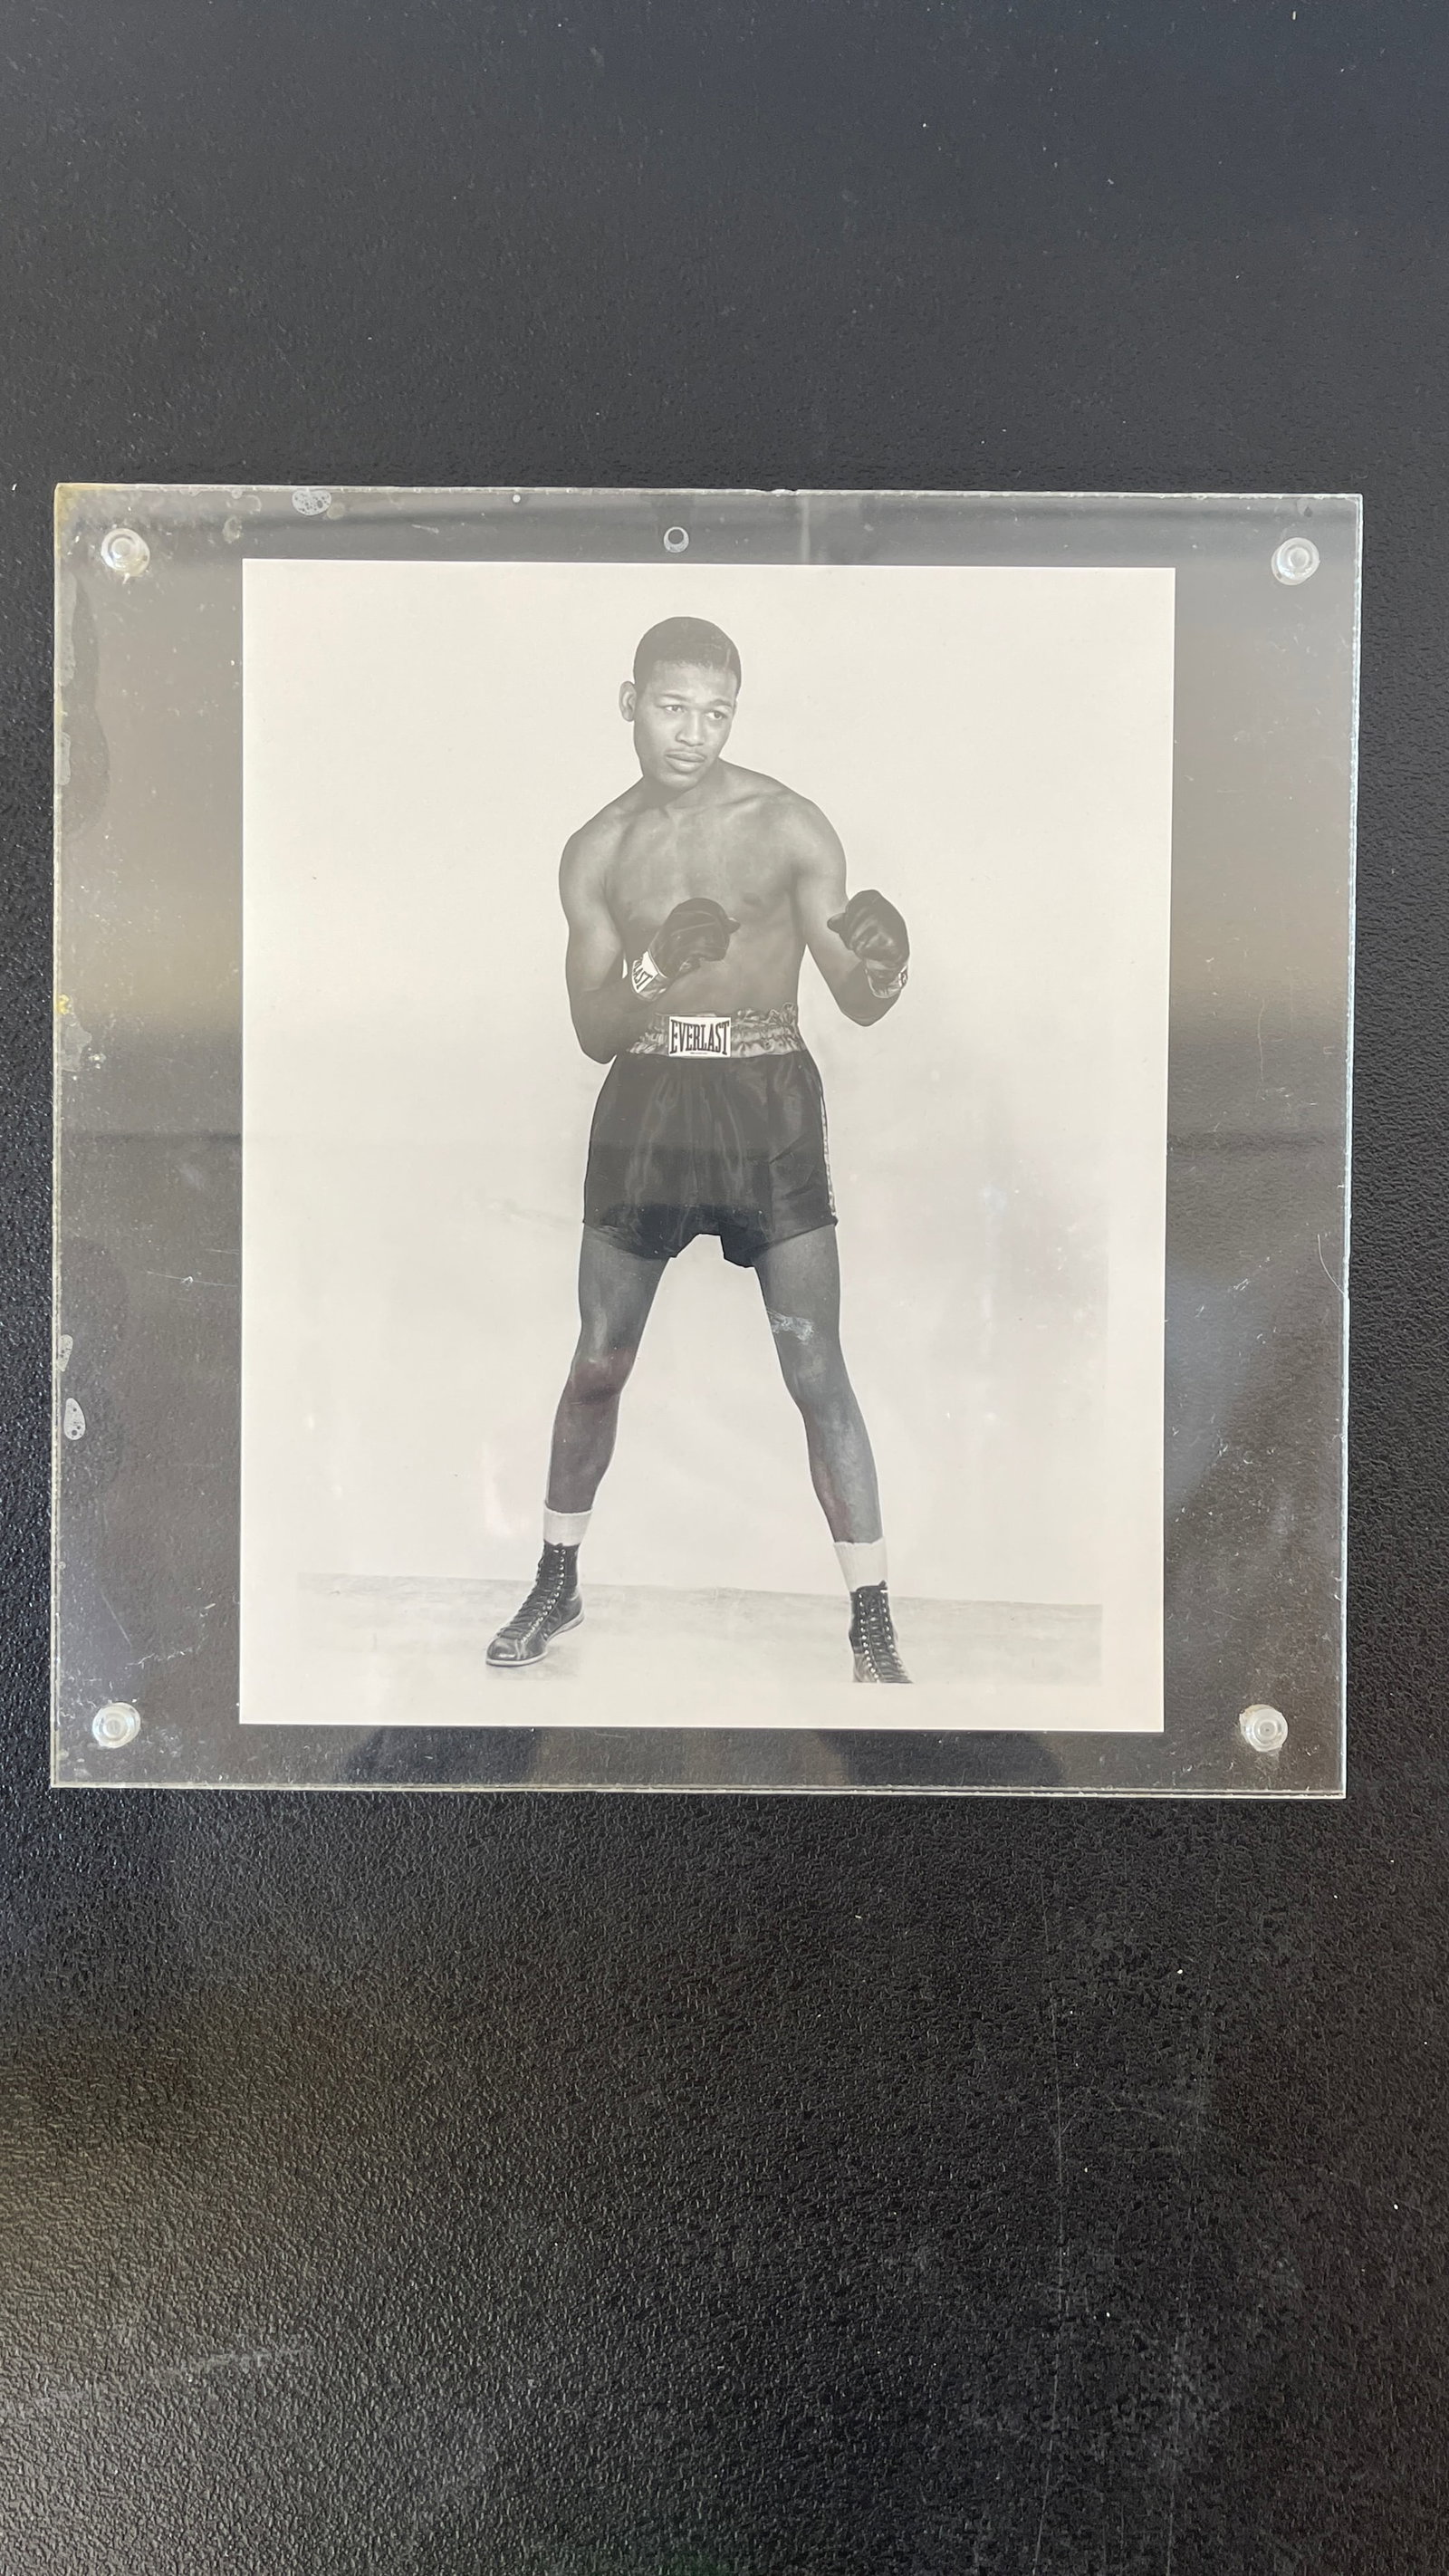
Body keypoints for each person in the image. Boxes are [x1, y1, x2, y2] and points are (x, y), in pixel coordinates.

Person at [487, 615, 912, 1684]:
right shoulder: (599, 850)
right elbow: (593, 1032)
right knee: (599, 1358)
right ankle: (556, 1579)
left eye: (715, 713)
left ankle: (871, 1616)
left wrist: (884, 966)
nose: (693, 733)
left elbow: (855, 1000)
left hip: (767, 1096)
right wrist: (653, 973)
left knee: (814, 1358)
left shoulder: (788, 824)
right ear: (629, 701)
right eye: (673, 707)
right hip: (648, 1101)